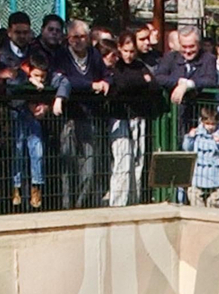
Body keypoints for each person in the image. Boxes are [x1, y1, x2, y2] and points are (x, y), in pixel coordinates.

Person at [51, 18, 110, 209]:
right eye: (74, 37)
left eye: (82, 37)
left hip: (89, 116)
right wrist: (91, 85)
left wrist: (106, 82)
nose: (78, 40)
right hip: (68, 117)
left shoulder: (94, 55)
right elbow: (66, 80)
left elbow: (106, 74)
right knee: (68, 165)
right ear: (68, 38)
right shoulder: (61, 56)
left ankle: (81, 204)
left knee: (90, 167)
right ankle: (67, 206)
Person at [106, 30, 157, 207]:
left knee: (138, 161)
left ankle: (133, 201)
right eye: (126, 51)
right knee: (122, 161)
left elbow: (154, 86)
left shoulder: (140, 65)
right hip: (119, 117)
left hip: (138, 117)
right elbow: (121, 84)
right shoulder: (116, 66)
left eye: (132, 51)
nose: (129, 55)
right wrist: (142, 82)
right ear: (119, 48)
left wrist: (141, 82)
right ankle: (117, 204)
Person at [8, 48, 50, 209]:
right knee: (18, 151)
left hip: (34, 119)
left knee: (37, 150)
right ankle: (16, 187)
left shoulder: (46, 83)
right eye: (36, 75)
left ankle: (36, 187)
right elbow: (13, 87)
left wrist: (43, 106)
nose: (40, 79)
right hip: (19, 115)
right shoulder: (19, 76)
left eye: (42, 76)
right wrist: (29, 83)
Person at [183, 105, 219, 208]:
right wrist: (190, 138)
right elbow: (187, 148)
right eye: (207, 124)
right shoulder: (197, 133)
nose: (210, 127)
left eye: (213, 124)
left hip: (216, 172)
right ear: (202, 122)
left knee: (215, 200)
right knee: (195, 196)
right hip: (199, 172)